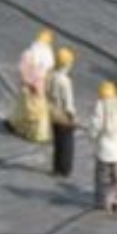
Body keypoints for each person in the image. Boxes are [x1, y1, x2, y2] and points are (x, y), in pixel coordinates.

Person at [8, 29, 54, 143]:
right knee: (38, 113)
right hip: (36, 87)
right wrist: (34, 85)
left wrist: (28, 83)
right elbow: (45, 73)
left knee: (23, 107)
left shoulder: (28, 53)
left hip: (28, 87)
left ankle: (15, 125)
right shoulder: (45, 56)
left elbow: (23, 71)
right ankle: (37, 135)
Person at [90, 80, 117, 214]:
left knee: (101, 177)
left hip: (104, 151)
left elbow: (96, 125)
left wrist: (92, 134)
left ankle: (101, 200)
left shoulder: (100, 106)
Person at [47, 46, 78, 178]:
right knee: (67, 144)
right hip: (64, 116)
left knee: (57, 142)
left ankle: (56, 167)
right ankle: (65, 169)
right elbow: (68, 103)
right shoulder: (65, 81)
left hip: (52, 113)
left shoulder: (50, 76)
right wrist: (72, 117)